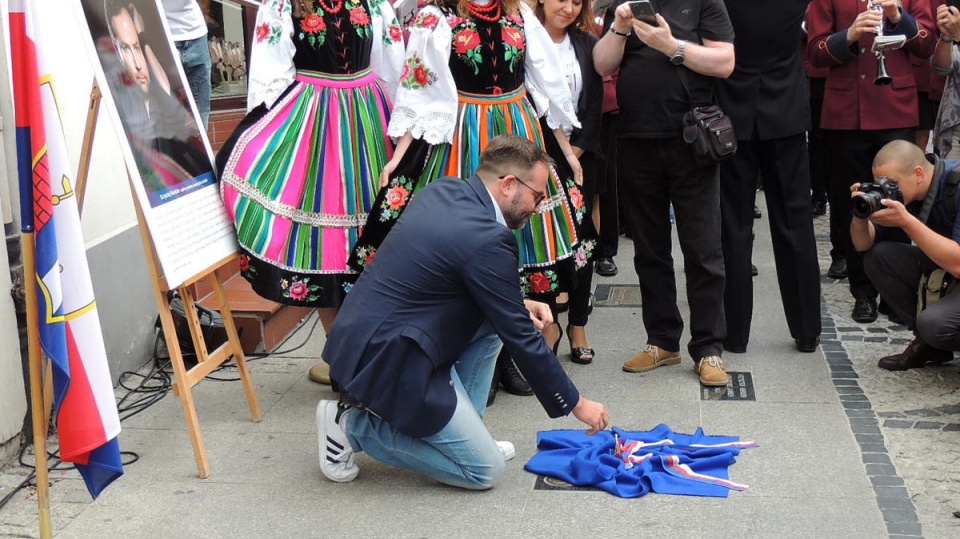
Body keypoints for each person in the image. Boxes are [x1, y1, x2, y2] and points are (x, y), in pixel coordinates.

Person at [318, 135, 610, 488]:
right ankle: (350, 428)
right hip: (390, 356)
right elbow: (519, 334)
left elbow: (452, 275)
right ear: (507, 185)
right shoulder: (487, 238)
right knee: (484, 471)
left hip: (373, 332)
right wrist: (577, 403)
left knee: (492, 321)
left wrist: (514, 301)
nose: (539, 206)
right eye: (537, 195)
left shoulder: (447, 189)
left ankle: (470, 437)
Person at [346, 0, 584, 397]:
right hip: (461, 136)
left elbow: (545, 83)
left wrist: (565, 149)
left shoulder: (518, 13)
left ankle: (509, 352)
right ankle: (471, 357)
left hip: (517, 129)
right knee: (466, 242)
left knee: (522, 236)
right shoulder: (436, 16)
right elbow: (421, 90)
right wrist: (400, 157)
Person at [215, 0, 404, 385]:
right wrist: (270, 145)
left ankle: (366, 350)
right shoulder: (283, 5)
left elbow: (392, 68)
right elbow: (270, 84)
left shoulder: (373, 3)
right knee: (327, 246)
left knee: (373, 238)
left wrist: (402, 131)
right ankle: (341, 357)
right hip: (315, 126)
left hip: (370, 121)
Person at [593, 0, 735, 386]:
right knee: (649, 250)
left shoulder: (705, 3)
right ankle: (662, 340)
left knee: (703, 250)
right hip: (637, 138)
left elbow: (724, 62)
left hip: (691, 141)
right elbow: (602, 64)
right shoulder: (628, 5)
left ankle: (708, 348)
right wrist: (620, 27)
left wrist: (671, 45)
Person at [806, 0, 936, 324]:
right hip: (847, 112)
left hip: (895, 107)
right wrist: (849, 34)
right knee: (852, 203)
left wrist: (896, 16)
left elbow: (928, 45)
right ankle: (862, 292)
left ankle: (894, 291)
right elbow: (816, 53)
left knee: (899, 201)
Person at [716, 0, 822, 355]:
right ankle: (807, 329)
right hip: (786, 105)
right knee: (795, 221)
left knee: (734, 225)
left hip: (733, 107)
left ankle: (735, 333)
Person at [534, 0, 603, 365]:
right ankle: (549, 323)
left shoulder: (587, 43)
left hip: (580, 157)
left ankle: (579, 324)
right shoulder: (526, 37)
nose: (569, 8)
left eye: (577, 2)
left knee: (582, 243)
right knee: (543, 244)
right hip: (536, 157)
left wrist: (575, 149)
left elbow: (594, 103)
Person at [852, 140, 959, 370]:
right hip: (945, 270)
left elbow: (958, 264)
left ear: (918, 173)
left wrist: (906, 221)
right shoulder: (908, 193)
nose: (886, 189)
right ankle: (931, 345)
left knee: (934, 323)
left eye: (891, 183)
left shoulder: (956, 185)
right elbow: (863, 245)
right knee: (878, 257)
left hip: (955, 267)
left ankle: (933, 336)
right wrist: (860, 216)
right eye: (880, 183)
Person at [104, 0, 211, 194]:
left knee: (198, 131)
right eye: (127, 48)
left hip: (194, 33)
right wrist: (142, 39)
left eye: (135, 47)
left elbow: (163, 88)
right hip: (163, 34)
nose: (137, 63)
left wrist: (142, 39)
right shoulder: (126, 97)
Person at [160, 0, 212, 128]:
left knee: (201, 107)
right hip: (162, 35)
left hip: (196, 34)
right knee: (164, 106)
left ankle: (199, 145)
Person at [933, 3, 960, 158]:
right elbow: (940, 69)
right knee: (951, 180)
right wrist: (946, 36)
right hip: (956, 123)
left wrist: (958, 36)